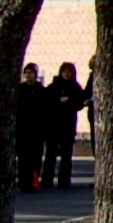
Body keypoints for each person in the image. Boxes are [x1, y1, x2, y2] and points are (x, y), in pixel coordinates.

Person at [43, 62, 89, 191]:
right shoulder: (53, 86)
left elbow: (80, 103)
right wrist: (58, 100)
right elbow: (46, 100)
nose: (67, 74)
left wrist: (70, 102)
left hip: (68, 123)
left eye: (69, 72)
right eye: (65, 71)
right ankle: (47, 180)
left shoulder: (75, 87)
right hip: (53, 123)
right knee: (50, 153)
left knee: (66, 154)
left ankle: (64, 181)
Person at [14, 63, 48, 194]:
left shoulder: (41, 90)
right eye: (26, 73)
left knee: (35, 158)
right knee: (23, 157)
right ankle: (23, 182)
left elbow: (45, 110)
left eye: (31, 73)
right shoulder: (20, 90)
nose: (29, 75)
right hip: (22, 129)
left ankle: (34, 182)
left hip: (37, 129)